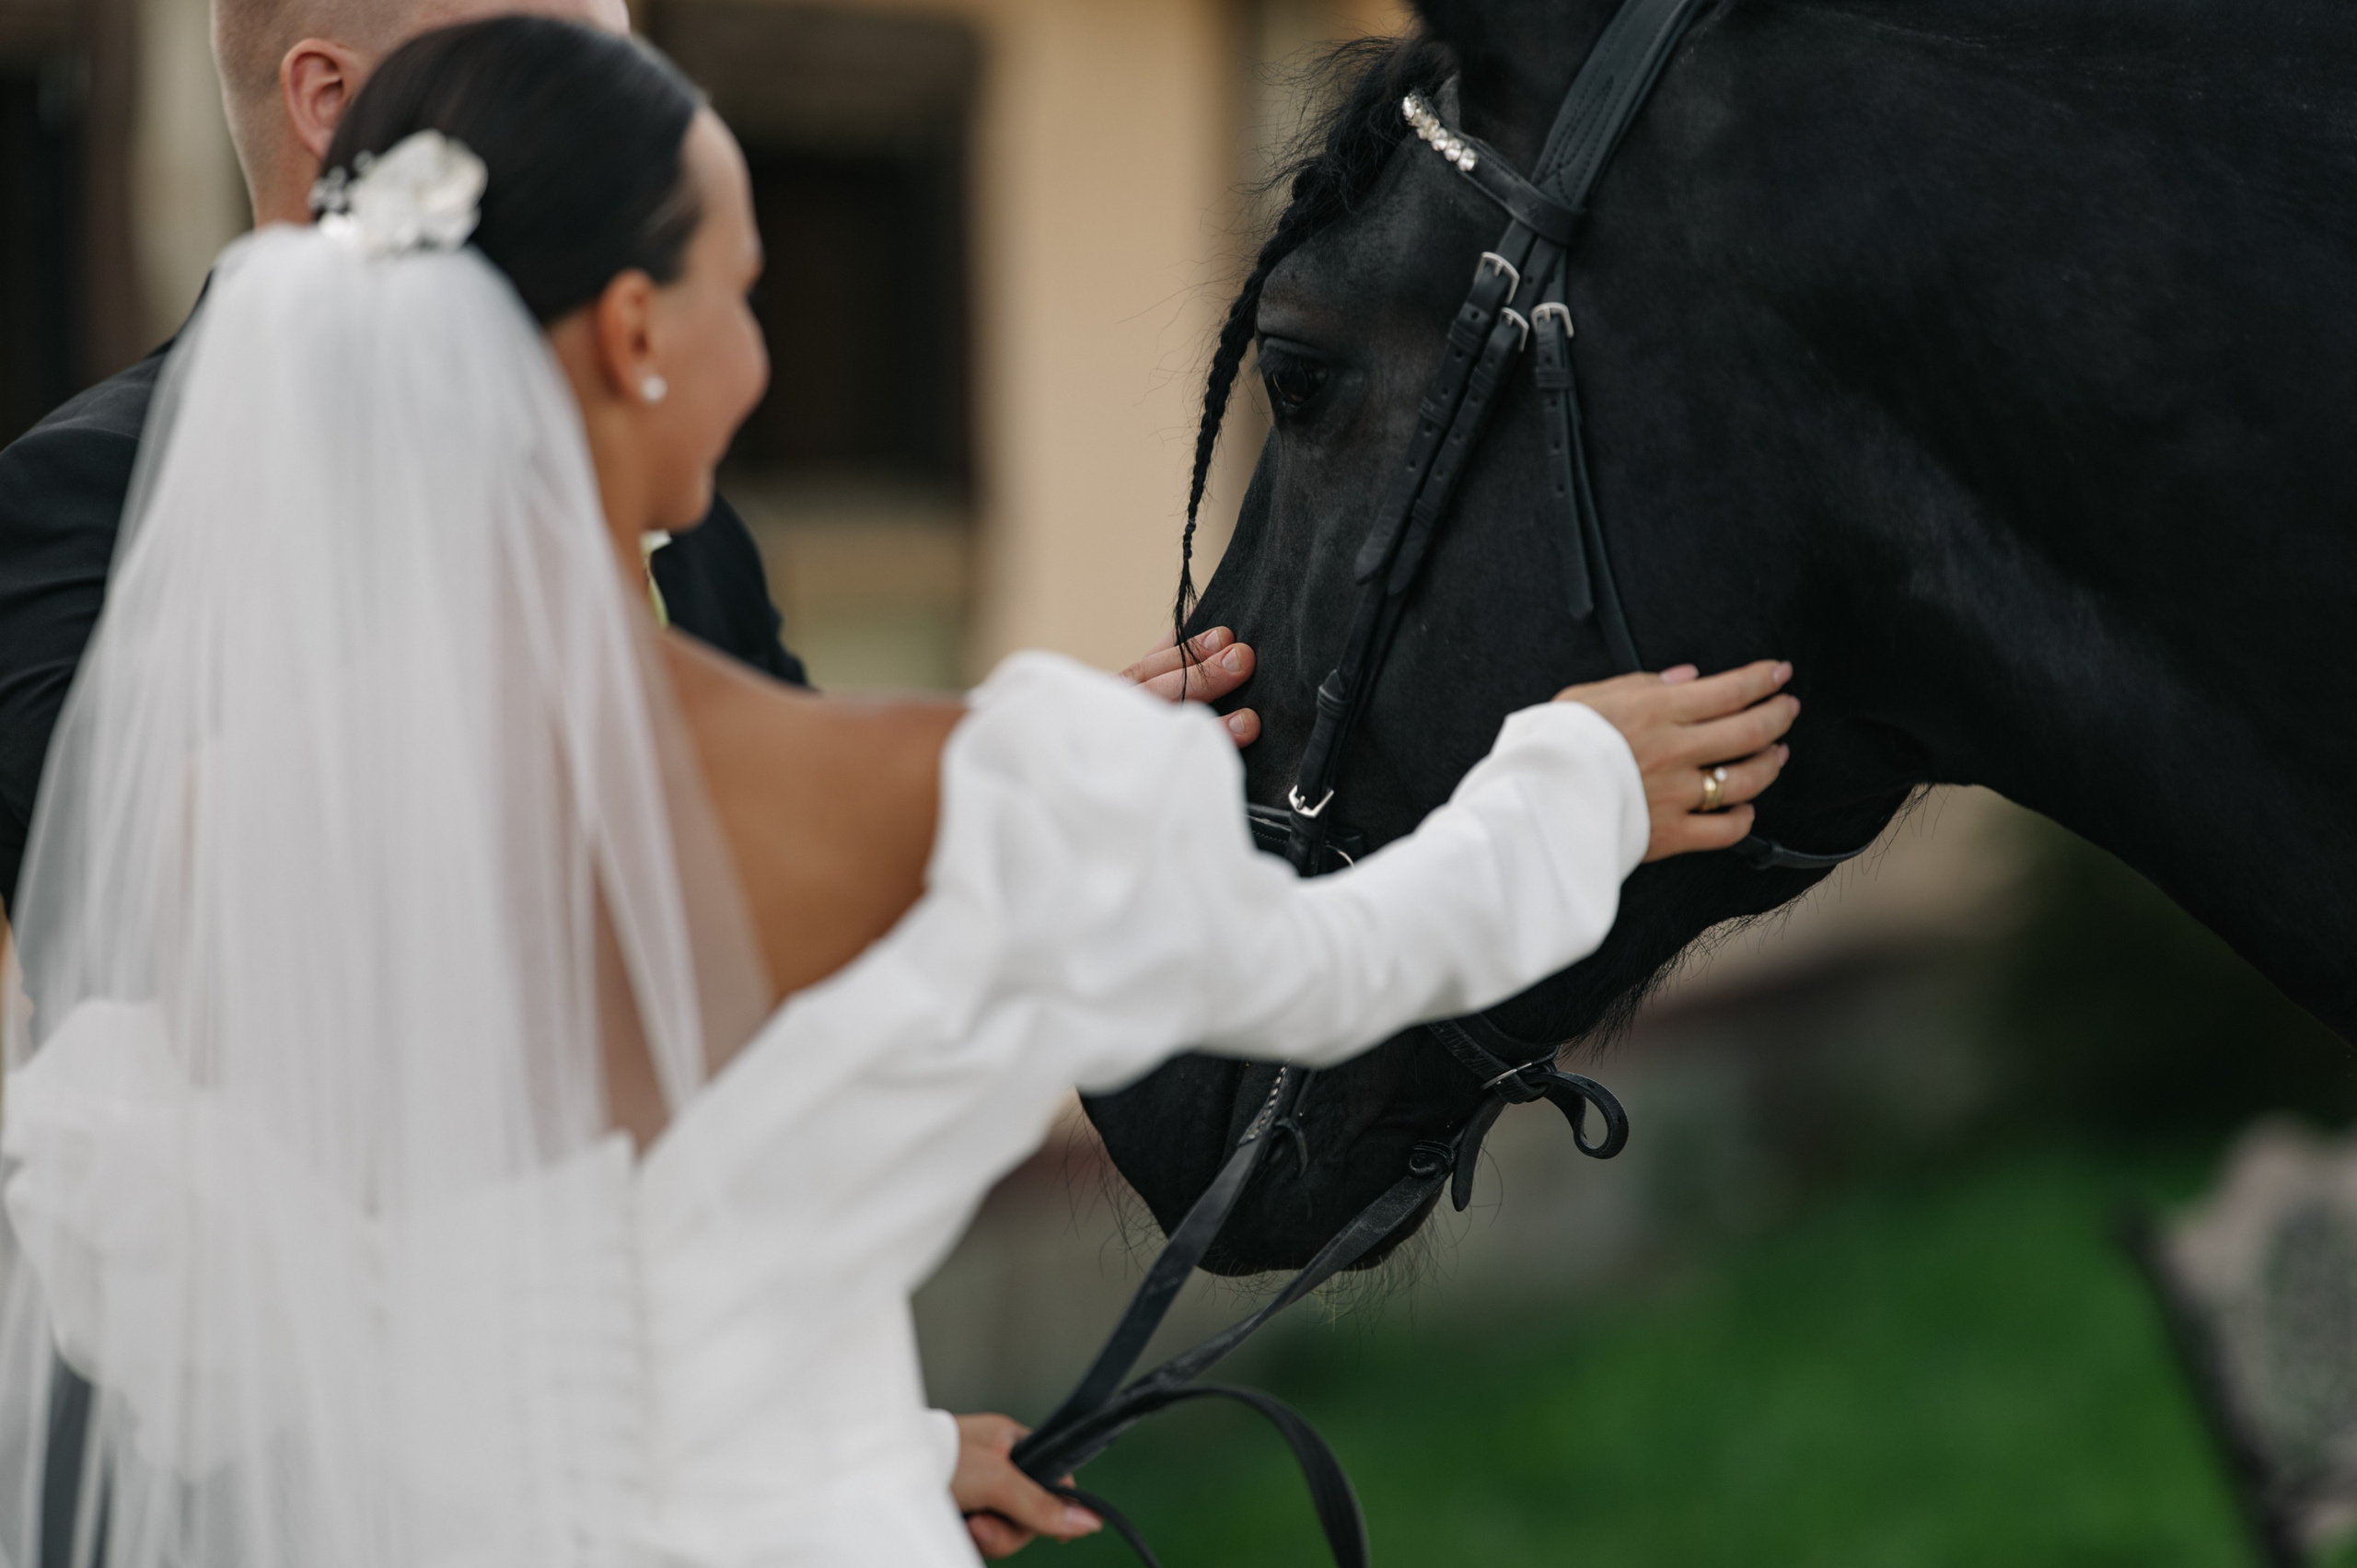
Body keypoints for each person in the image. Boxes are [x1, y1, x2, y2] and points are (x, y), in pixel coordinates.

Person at [0, 17, 1797, 1568]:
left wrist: (856, 1443)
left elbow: (376, 1300)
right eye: (741, 290)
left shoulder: (236, 797)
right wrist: (1575, 787)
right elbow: (1342, 963)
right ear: (635, 330)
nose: (764, 354)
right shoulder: (910, 789)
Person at [0, 1, 1257, 1558]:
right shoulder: (77, 505)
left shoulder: (677, 501)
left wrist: (1012, 784)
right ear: (329, 101)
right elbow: (218, 1010)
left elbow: (765, 947)